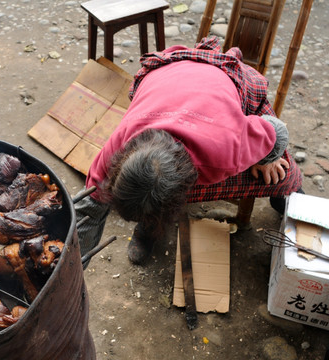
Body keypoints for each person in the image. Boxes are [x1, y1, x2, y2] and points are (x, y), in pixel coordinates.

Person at [75, 36, 303, 265]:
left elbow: (278, 131)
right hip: (167, 71)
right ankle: (148, 224)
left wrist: (266, 158)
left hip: (219, 76)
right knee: (145, 198)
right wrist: (73, 266)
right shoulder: (119, 146)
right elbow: (89, 210)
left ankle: (283, 197)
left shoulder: (224, 152)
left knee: (281, 171)